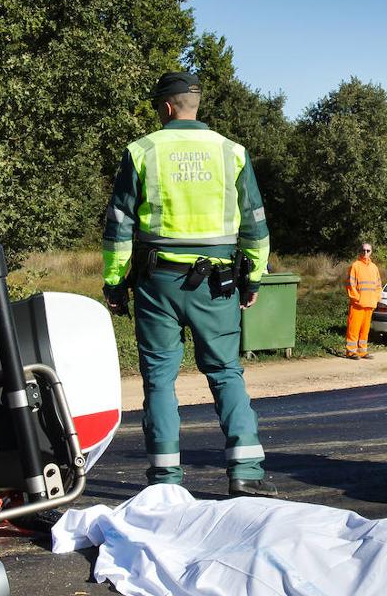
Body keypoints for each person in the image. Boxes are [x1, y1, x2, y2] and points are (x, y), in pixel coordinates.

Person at [101, 71, 276, 498]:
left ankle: (164, 480)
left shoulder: (142, 151)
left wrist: (113, 282)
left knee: (160, 379)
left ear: (165, 108)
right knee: (225, 372)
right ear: (195, 105)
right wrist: (253, 275)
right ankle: (246, 472)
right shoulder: (231, 152)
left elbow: (119, 225)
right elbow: (255, 224)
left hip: (157, 281)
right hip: (216, 283)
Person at [345, 241, 381, 359]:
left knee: (365, 330)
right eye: (363, 250)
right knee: (353, 329)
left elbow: (378, 286)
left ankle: (362, 351)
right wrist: (357, 299)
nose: (365, 252)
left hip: (369, 304)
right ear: (360, 251)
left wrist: (376, 299)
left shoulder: (374, 267)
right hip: (358, 305)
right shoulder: (355, 266)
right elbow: (350, 285)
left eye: (368, 250)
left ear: (371, 252)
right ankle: (351, 351)